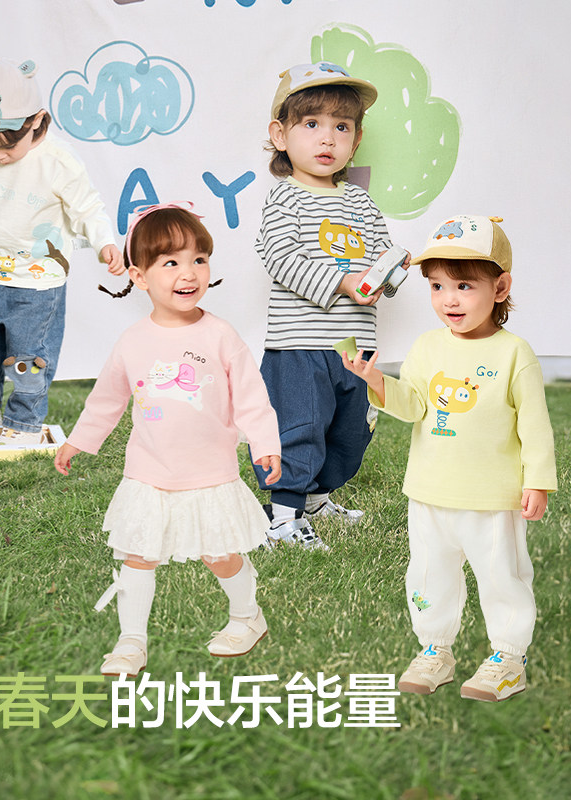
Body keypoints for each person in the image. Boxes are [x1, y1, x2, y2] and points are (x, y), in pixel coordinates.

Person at [54, 204, 281, 677]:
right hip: (149, 472)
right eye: (171, 262)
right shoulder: (132, 341)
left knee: (220, 554)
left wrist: (264, 444)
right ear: (139, 276)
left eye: (199, 259)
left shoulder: (221, 336)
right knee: (139, 555)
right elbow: (106, 400)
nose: (189, 273)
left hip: (210, 472)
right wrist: (78, 440)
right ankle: (131, 641)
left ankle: (247, 616)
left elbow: (251, 397)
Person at [342, 215, 557, 702]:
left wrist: (537, 480)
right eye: (437, 286)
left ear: (500, 288)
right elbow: (415, 405)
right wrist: (377, 382)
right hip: (429, 492)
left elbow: (535, 425)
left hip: (492, 497)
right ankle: (434, 649)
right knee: (428, 574)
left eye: (464, 285)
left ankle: (508, 658)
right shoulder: (426, 346)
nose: (449, 300)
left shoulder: (514, 354)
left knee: (501, 576)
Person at [0, 58, 123, 445]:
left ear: (36, 121)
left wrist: (105, 242)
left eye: (8, 146)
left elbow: (87, 208)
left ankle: (24, 424)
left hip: (36, 284)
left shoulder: (58, 162)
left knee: (29, 358)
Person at [253, 61, 408, 550]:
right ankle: (283, 516)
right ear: (280, 135)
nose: (328, 138)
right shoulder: (285, 198)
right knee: (300, 428)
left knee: (348, 431)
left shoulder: (361, 203)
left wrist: (391, 272)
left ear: (356, 140)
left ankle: (318, 499)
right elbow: (280, 258)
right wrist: (343, 282)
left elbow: (380, 258)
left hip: (353, 347)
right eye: (312, 124)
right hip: (299, 347)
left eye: (342, 127)